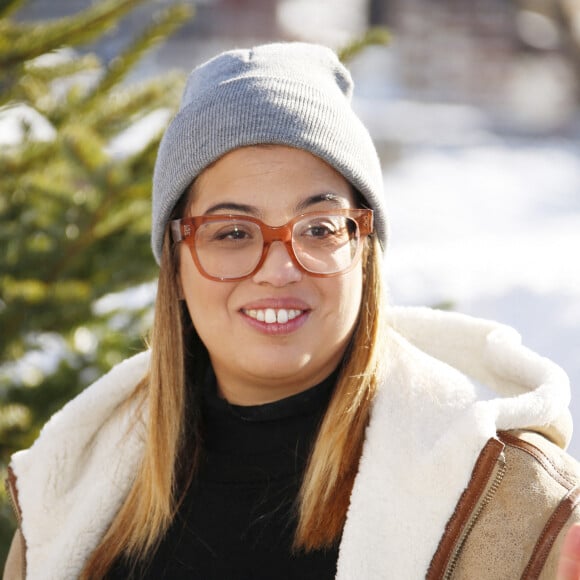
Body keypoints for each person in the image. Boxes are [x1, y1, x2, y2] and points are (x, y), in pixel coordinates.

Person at [3, 41, 580, 580]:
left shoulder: (505, 500)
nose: (279, 268)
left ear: (364, 252)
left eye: (319, 228)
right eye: (231, 232)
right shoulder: (69, 492)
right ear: (175, 267)